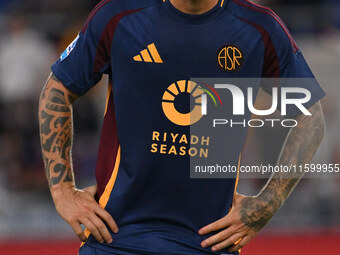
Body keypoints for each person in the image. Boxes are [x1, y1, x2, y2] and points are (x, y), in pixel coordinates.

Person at [38, 0, 326, 254]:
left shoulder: (259, 28)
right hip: (117, 239)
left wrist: (267, 203)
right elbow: (58, 88)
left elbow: (311, 116)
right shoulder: (119, 13)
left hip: (208, 243)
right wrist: (63, 192)